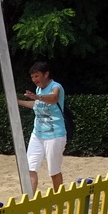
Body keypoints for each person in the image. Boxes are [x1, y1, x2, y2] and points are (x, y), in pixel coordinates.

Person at [17, 60, 67, 193]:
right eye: (32, 77)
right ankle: (29, 200)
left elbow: (53, 98)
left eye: (37, 76)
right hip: (37, 134)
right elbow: (37, 105)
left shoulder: (56, 86)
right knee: (30, 168)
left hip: (55, 135)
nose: (34, 79)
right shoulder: (39, 89)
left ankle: (59, 199)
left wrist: (37, 97)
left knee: (54, 171)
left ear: (46, 74)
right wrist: (19, 102)